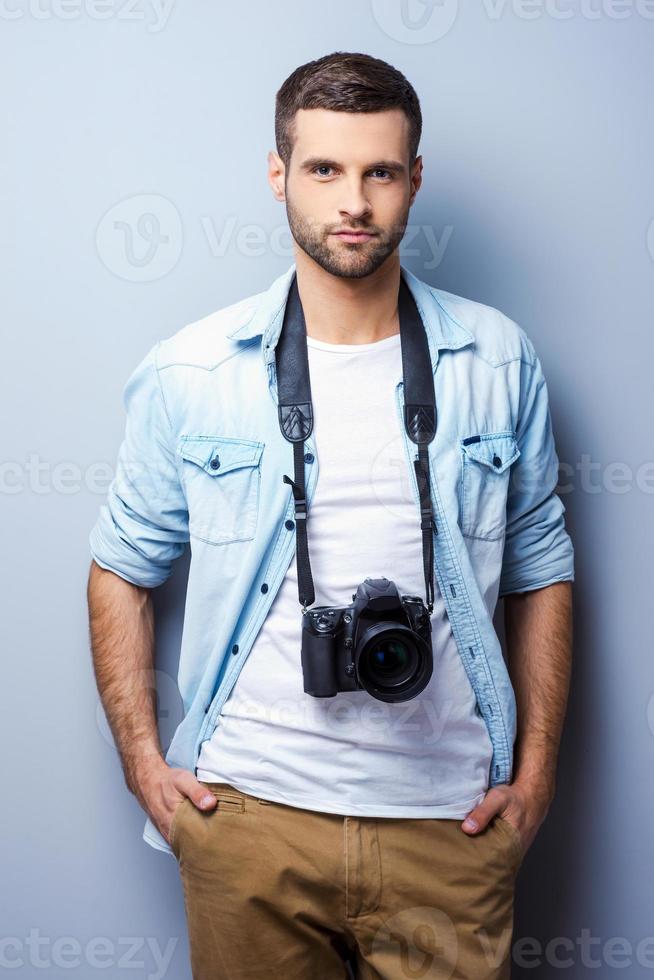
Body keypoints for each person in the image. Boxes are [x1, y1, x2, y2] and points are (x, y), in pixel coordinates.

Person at [87, 51, 574, 980]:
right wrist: (145, 765)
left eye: (380, 171)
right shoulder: (193, 372)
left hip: (451, 824)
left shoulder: (496, 360)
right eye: (324, 169)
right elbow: (120, 565)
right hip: (249, 822)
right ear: (278, 174)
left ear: (414, 178)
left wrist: (539, 773)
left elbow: (542, 565)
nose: (353, 201)